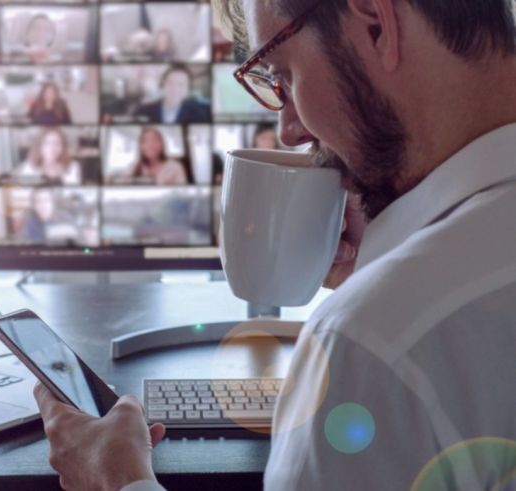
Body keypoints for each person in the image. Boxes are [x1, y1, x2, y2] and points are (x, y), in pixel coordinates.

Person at [34, 0, 516, 489]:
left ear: (377, 23)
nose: (289, 132)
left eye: (284, 76)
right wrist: (392, 264)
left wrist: (118, 480)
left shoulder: (370, 348)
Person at [133, 64, 211, 124]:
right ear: (163, 85)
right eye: (170, 83)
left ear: (187, 90)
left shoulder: (200, 114)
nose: (175, 89)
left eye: (181, 85)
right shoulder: (143, 111)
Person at [111, 127, 189, 185]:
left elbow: (184, 191)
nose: (151, 145)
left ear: (162, 145)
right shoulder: (134, 166)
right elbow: (120, 181)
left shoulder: (175, 166)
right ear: (141, 146)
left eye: (155, 140)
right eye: (146, 141)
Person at [14, 127, 82, 185]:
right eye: (47, 143)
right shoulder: (28, 168)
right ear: (39, 146)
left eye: (57, 143)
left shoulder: (74, 167)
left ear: (63, 147)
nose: (52, 148)